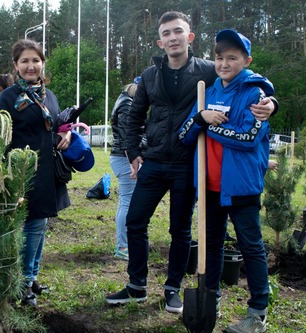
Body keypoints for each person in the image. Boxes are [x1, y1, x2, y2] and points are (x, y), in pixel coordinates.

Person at [105, 11, 276, 314]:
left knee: (181, 230)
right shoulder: (149, 75)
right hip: (154, 161)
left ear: (189, 36)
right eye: (167, 33)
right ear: (160, 41)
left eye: (178, 31)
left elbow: (246, 77)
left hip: (188, 165)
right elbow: (134, 116)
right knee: (135, 220)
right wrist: (134, 153)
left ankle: (172, 289)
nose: (173, 37)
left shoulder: (208, 71)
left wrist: (271, 101)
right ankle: (137, 285)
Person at [179, 29, 272, 333]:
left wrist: (209, 125)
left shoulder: (255, 93)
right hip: (208, 187)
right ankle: (210, 300)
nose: (224, 63)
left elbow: (247, 137)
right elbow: (184, 136)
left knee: (251, 246)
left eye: (232, 57)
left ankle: (257, 313)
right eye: (219, 57)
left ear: (246, 60)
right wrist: (199, 118)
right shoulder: (209, 92)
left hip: (241, 185)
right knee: (212, 246)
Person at [0, 39, 71, 306]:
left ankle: (32, 276)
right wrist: (5, 176)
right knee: (33, 226)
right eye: (24, 61)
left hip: (48, 169)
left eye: (35, 60)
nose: (31, 66)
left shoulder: (49, 95)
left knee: (42, 224)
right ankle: (24, 282)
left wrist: (67, 134)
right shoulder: (8, 97)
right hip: (23, 172)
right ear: (15, 65)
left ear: (42, 63)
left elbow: (58, 125)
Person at [109, 77, 141, 260]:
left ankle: (126, 243)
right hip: (124, 158)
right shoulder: (127, 105)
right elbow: (127, 136)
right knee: (126, 201)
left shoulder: (124, 101)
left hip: (123, 157)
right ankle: (123, 246)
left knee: (127, 200)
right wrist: (132, 163)